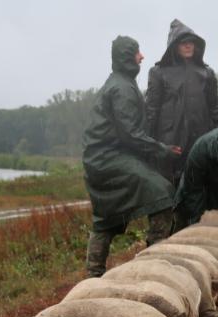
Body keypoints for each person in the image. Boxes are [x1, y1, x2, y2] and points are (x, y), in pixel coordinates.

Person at [82, 35, 182, 278]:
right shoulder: (122, 88)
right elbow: (131, 134)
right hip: (109, 158)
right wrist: (162, 150)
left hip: (100, 159)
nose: (142, 56)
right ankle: (154, 261)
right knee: (163, 193)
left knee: (106, 217)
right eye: (138, 52)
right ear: (128, 56)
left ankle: (92, 275)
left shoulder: (121, 82)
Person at [145, 19, 218, 186]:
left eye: (191, 42)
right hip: (169, 145)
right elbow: (151, 112)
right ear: (174, 45)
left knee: (198, 189)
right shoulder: (158, 73)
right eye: (183, 42)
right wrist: (151, 146)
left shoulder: (207, 73)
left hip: (200, 142)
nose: (188, 46)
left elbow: (215, 111)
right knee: (168, 193)